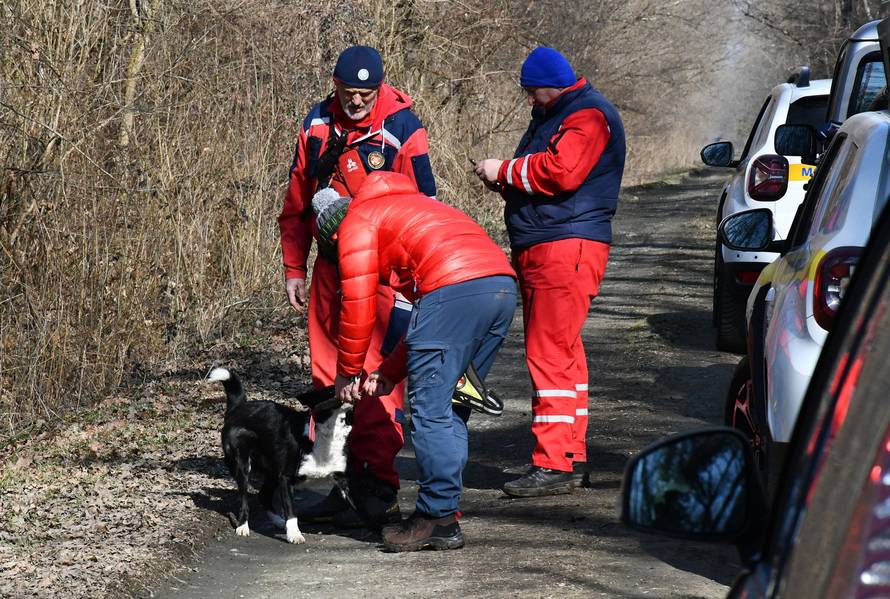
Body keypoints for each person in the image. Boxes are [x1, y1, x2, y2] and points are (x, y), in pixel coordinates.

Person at [312, 171, 517, 552]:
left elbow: (358, 306)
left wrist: (347, 373)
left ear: (333, 238)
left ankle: (436, 517)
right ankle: (445, 511)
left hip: (453, 288)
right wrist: (388, 373)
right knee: (451, 405)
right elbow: (426, 325)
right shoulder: (408, 207)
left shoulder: (355, 224)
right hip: (499, 286)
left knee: (429, 411)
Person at [278, 45, 437, 527]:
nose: (357, 102)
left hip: (383, 270)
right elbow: (297, 203)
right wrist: (294, 268)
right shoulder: (316, 125)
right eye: (349, 93)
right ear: (336, 85)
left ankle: (380, 487)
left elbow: (425, 204)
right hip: (330, 271)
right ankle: (342, 483)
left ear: (380, 88)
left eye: (366, 95)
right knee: (329, 381)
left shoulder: (403, 128)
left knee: (376, 382)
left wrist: (417, 276)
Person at [474, 47, 626, 497]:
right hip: (551, 243)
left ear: (551, 86)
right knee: (564, 352)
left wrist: (504, 169)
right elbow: (542, 176)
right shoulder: (556, 113)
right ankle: (570, 456)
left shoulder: (587, 115)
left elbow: (560, 172)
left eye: (531, 91)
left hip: (562, 247)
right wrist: (505, 180)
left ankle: (552, 463)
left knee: (549, 355)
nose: (528, 100)